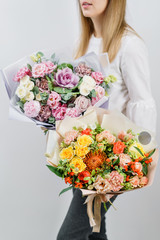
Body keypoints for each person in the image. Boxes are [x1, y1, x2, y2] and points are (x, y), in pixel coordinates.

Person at [57, 0, 157, 240]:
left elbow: (142, 103)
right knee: (93, 231)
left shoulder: (128, 45)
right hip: (82, 159)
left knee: (71, 236)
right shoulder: (83, 43)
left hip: (109, 163)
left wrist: (142, 159)